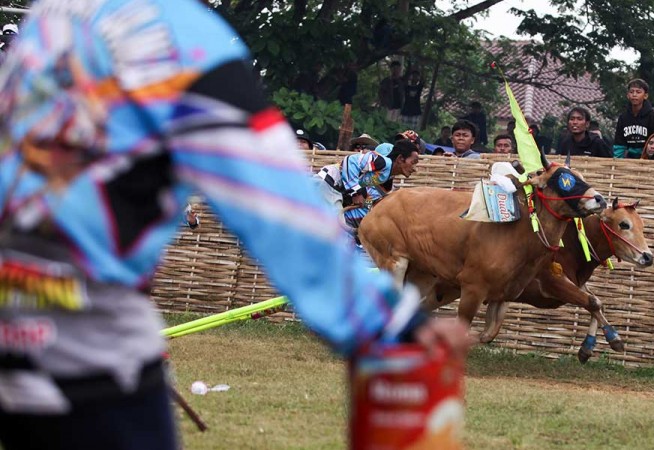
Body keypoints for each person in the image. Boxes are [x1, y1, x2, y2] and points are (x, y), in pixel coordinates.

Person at [0, 3, 471, 449]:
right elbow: (274, 205)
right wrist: (393, 325)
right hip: (84, 352)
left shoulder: (53, 16)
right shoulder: (178, 36)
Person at [314, 139, 420, 232]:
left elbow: (367, 194)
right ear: (401, 159)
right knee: (337, 230)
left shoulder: (386, 175)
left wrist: (369, 206)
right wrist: (356, 192)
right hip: (331, 183)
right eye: (413, 162)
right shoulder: (383, 162)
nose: (415, 168)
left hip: (334, 189)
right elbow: (349, 161)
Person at [613, 79, 654, 158]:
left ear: (645, 96)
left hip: (647, 158)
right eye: (631, 92)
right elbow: (619, 144)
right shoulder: (623, 117)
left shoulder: (652, 116)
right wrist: (618, 161)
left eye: (638, 92)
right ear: (628, 95)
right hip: (628, 158)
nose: (634, 95)